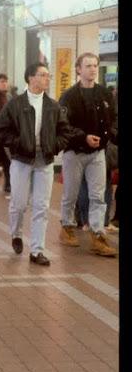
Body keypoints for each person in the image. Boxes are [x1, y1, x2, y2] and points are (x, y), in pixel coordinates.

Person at [0, 62, 73, 265]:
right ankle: (16, 234)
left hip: (44, 161)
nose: (47, 78)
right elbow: (2, 130)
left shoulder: (53, 105)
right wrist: (18, 143)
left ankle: (37, 250)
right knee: (19, 204)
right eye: (43, 75)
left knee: (42, 206)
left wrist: (54, 146)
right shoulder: (15, 104)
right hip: (21, 159)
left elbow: (65, 132)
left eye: (48, 75)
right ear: (31, 78)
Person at [58, 52, 117, 257]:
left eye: (95, 65)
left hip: (98, 153)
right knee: (71, 194)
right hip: (74, 152)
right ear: (78, 69)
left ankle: (97, 234)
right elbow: (63, 125)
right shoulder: (68, 96)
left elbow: (114, 119)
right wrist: (83, 137)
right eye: (88, 66)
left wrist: (109, 136)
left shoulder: (104, 94)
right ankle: (66, 227)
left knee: (98, 196)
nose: (92, 69)